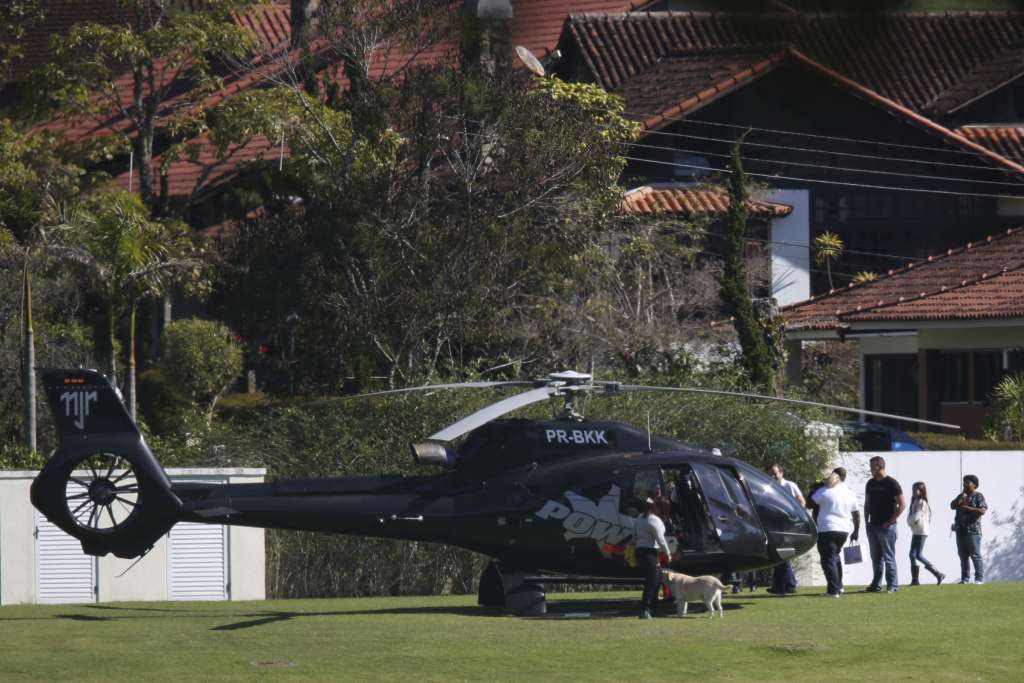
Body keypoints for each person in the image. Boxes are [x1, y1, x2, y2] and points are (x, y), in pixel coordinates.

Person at [810, 469, 860, 598]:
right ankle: (839, 586)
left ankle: (833, 590)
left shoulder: (824, 491)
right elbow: (856, 513)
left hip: (827, 528)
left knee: (828, 559)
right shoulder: (849, 492)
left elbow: (809, 504)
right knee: (835, 557)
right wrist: (856, 530)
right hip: (844, 530)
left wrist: (815, 489)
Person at [863, 455, 905, 593]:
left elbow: (902, 505)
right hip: (873, 525)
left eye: (872, 467)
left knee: (888, 556)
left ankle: (892, 585)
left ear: (879, 466)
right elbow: (867, 503)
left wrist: (890, 521)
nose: (870, 469)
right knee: (876, 558)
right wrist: (866, 521)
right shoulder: (870, 483)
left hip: (887, 526)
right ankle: (876, 584)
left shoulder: (891, 483)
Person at [767, 463, 805, 595]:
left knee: (782, 555)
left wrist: (794, 516)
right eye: (770, 473)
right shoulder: (768, 486)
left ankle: (787, 585)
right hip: (774, 523)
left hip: (786, 524)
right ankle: (783, 585)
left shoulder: (790, 485)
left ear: (781, 473)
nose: (772, 475)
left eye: (775, 473)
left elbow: (801, 501)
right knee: (780, 555)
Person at [634, 496, 671, 618]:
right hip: (650, 552)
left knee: (658, 579)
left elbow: (634, 534)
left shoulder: (639, 517)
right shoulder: (654, 520)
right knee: (652, 581)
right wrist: (667, 553)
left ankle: (654, 608)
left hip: (640, 551)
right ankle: (645, 609)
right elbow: (660, 539)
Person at [951, 474, 988, 585]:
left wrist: (968, 508)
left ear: (974, 485)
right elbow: (952, 506)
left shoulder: (978, 496)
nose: (965, 484)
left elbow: (982, 511)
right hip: (960, 530)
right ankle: (965, 579)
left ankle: (979, 578)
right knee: (963, 556)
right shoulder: (961, 496)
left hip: (973, 531)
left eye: (968, 482)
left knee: (975, 555)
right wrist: (960, 497)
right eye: (964, 482)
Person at [907, 482, 945, 585]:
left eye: (916, 490)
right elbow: (911, 515)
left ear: (921, 491)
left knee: (918, 555)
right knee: (912, 555)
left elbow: (917, 516)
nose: (914, 492)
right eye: (913, 489)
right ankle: (915, 579)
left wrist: (910, 522)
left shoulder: (922, 502)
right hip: (916, 531)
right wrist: (910, 522)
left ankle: (937, 573)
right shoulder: (915, 501)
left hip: (921, 531)